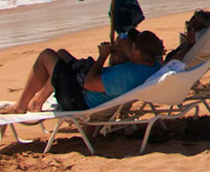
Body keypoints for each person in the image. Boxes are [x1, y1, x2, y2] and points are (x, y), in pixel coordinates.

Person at [13, 29, 166, 114]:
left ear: (138, 53)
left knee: (46, 56)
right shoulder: (153, 66)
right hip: (90, 94)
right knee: (61, 55)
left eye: (132, 46)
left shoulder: (128, 74)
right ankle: (37, 101)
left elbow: (89, 83)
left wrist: (103, 56)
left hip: (80, 100)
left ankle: (21, 106)